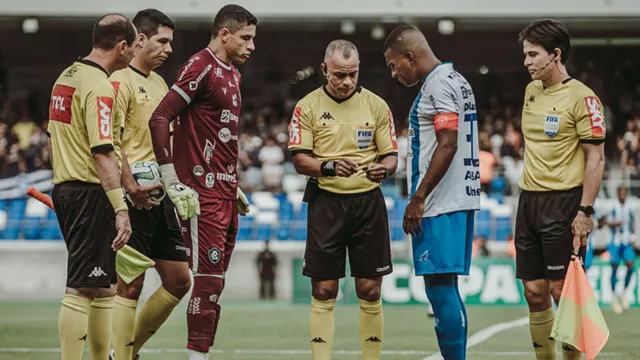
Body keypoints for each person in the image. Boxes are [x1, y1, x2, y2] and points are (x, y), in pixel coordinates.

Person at [148, 5, 255, 360]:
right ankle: (196, 356)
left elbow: (216, 133)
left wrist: (231, 180)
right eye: (246, 37)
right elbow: (161, 117)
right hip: (201, 192)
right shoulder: (200, 66)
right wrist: (171, 178)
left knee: (216, 282)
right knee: (206, 280)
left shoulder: (234, 75)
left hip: (224, 190)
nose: (251, 46)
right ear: (224, 34)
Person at [288, 39, 398, 360]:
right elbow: (299, 160)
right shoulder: (306, 106)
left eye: (352, 74)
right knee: (324, 290)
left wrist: (384, 170)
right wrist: (329, 166)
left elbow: (391, 156)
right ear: (324, 70)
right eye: (339, 75)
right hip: (326, 203)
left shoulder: (376, 106)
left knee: (370, 289)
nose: (347, 81)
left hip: (368, 204)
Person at [383, 25, 480, 360]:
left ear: (411, 56)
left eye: (394, 64)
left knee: (439, 291)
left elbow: (448, 143)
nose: (394, 73)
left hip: (440, 202)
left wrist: (419, 197)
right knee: (445, 288)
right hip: (456, 197)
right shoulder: (457, 81)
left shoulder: (438, 85)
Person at [515, 20, 606, 360]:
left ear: (555, 55)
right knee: (534, 291)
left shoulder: (583, 98)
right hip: (529, 202)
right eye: (525, 54)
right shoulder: (531, 91)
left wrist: (585, 212)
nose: (527, 62)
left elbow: (595, 157)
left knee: (562, 292)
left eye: (533, 55)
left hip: (565, 203)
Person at [47, 14, 135, 360]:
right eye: (132, 48)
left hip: (70, 188)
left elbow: (53, 138)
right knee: (83, 287)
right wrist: (120, 207)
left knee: (104, 286)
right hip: (90, 191)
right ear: (122, 46)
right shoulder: (99, 86)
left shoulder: (66, 77)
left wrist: (63, 182)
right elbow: (102, 151)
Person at [108, 9, 191, 360]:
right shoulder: (118, 80)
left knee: (179, 280)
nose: (169, 49)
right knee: (130, 283)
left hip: (160, 195)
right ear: (139, 40)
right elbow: (108, 140)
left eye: (170, 42)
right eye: (163, 41)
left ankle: (125, 352)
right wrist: (128, 184)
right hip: (131, 197)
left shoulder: (159, 84)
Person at [607, 185, 636, 314]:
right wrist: (612, 223)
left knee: (631, 265)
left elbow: (633, 221)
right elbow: (604, 221)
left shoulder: (630, 207)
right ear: (618, 194)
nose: (622, 196)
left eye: (624, 194)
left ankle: (623, 293)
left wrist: (633, 236)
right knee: (615, 266)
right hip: (615, 241)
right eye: (621, 194)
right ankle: (613, 296)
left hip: (626, 241)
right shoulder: (612, 206)